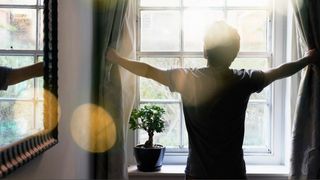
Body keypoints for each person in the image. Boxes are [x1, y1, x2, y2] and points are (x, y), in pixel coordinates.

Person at [106, 21, 319, 179]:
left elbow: (147, 70)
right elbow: (280, 71)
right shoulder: (243, 80)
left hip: (198, 173)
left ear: (205, 51)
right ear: (234, 53)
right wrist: (308, 59)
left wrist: (116, 58)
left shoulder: (188, 79)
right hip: (232, 173)